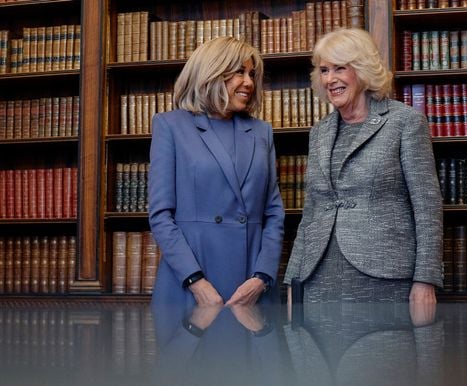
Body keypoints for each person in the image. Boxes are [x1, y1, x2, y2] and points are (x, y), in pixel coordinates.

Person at [283, 28, 443, 304]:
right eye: (324, 71)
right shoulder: (319, 132)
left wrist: (425, 279)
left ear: (362, 70)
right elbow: (311, 214)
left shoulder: (404, 122)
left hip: (383, 278)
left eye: (340, 69)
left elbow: (427, 206)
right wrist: (293, 279)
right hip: (318, 279)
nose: (330, 79)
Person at [148, 36, 285, 308]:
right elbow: (161, 215)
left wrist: (261, 277)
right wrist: (195, 281)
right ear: (210, 73)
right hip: (191, 288)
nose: (249, 82)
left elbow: (274, 212)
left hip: (252, 287)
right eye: (239, 72)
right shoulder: (170, 126)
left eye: (252, 74)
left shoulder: (261, 132)